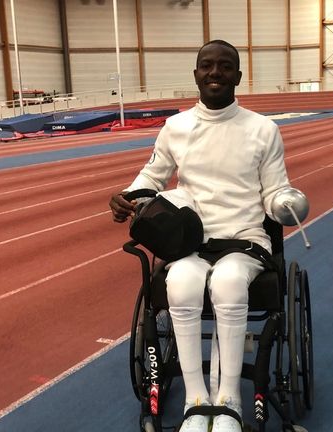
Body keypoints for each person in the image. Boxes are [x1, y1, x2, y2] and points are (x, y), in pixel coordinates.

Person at [109, 40, 292, 432]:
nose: (215, 73)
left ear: (237, 77)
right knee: (181, 281)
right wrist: (128, 196)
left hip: (244, 239)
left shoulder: (263, 129)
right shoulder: (176, 127)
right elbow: (152, 177)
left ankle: (230, 401)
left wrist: (286, 203)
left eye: (224, 67)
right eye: (206, 66)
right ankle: (196, 400)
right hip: (189, 241)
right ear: (195, 74)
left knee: (227, 283)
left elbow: (275, 189)